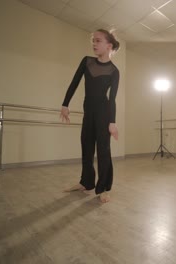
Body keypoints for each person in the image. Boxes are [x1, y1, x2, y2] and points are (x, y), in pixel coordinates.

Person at [60, 29, 120, 203]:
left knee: (103, 152)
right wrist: (65, 104)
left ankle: (104, 189)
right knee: (86, 148)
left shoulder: (114, 71)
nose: (94, 44)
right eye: (93, 41)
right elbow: (74, 82)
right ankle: (86, 183)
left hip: (103, 114)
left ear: (108, 45)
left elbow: (112, 99)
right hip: (89, 113)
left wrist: (112, 122)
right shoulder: (87, 62)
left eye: (98, 41)